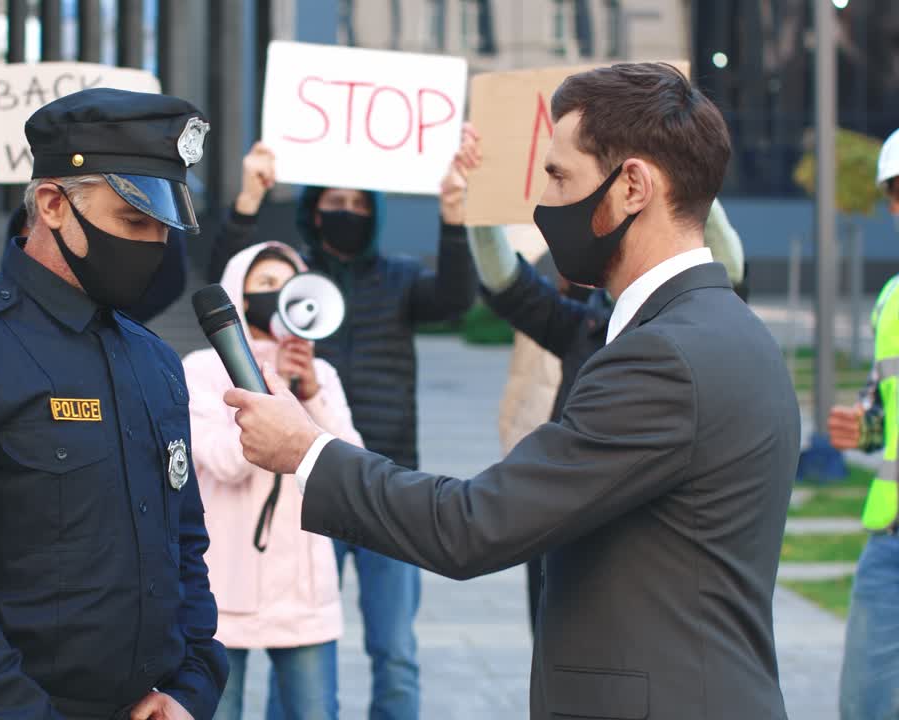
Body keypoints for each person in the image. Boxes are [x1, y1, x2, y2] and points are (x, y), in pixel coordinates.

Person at [224, 62, 801, 720]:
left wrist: (306, 450)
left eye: (559, 177)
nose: (544, 202)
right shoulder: (730, 329)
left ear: (633, 185)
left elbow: (473, 526)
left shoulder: (662, 355)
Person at [0, 88, 227, 720]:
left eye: (162, 228)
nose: (154, 245)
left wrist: (191, 688)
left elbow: (184, 548)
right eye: (134, 222)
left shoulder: (154, 361)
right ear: (54, 205)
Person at [210, 127, 480, 720]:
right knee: (296, 644)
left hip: (389, 485)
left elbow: (458, 297)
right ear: (313, 209)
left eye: (359, 206)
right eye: (334, 203)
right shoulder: (290, 279)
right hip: (309, 490)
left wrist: (455, 214)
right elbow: (222, 281)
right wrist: (248, 199)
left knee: (396, 652)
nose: (347, 214)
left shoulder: (402, 278)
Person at [473, 200, 749, 636]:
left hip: (645, 564)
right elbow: (506, 283)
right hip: (560, 537)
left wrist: (696, 188)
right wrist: (480, 203)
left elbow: (730, 272)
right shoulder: (584, 328)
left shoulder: (695, 333)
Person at [182, 241, 363, 720]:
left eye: (287, 284)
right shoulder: (200, 369)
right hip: (225, 585)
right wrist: (266, 391)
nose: (278, 294)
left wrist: (311, 393)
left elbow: (351, 471)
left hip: (302, 591)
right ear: (240, 296)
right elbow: (224, 462)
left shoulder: (321, 373)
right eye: (265, 285)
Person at [0, 143, 188, 322]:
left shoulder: (107, 315)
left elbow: (171, 282)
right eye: (35, 228)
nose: (50, 237)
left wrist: (157, 192)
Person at [827, 126, 899, 720]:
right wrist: (863, 427)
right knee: (863, 706)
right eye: (896, 193)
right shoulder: (892, 299)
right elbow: (882, 408)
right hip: (890, 546)